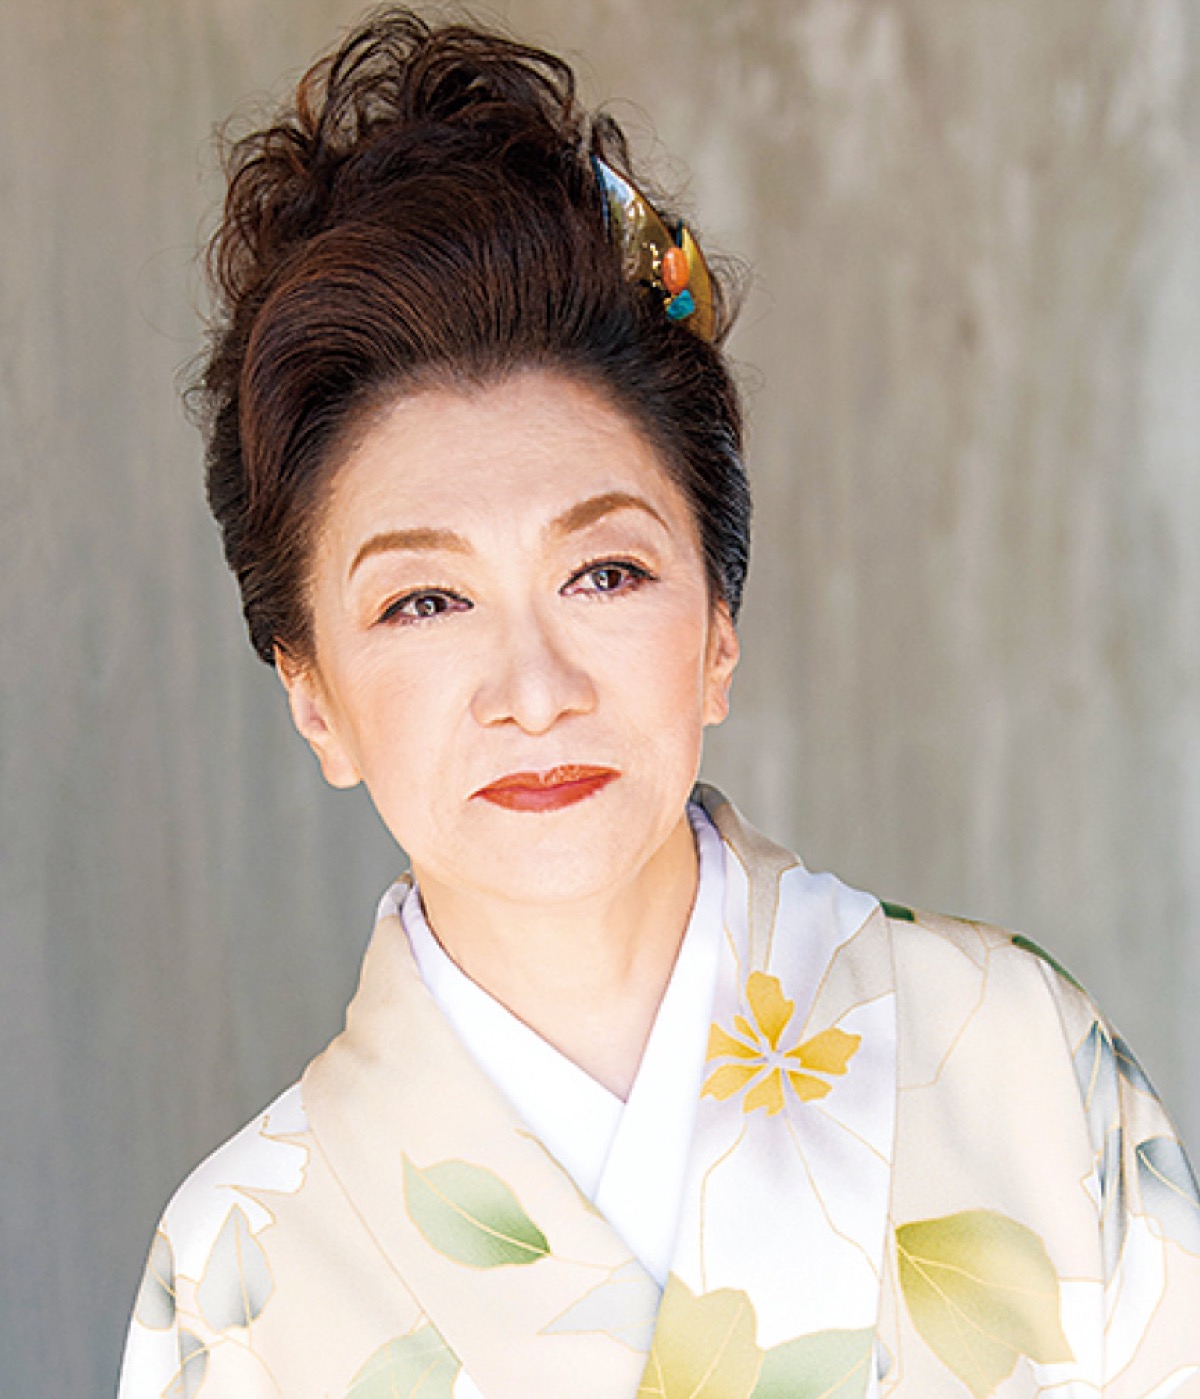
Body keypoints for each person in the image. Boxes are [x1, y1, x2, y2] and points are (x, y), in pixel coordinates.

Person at [118, 9, 1200, 1397]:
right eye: (424, 602)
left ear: (718, 631)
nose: (533, 692)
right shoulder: (244, 1269)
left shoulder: (1012, 1061)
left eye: (606, 572)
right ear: (312, 694)